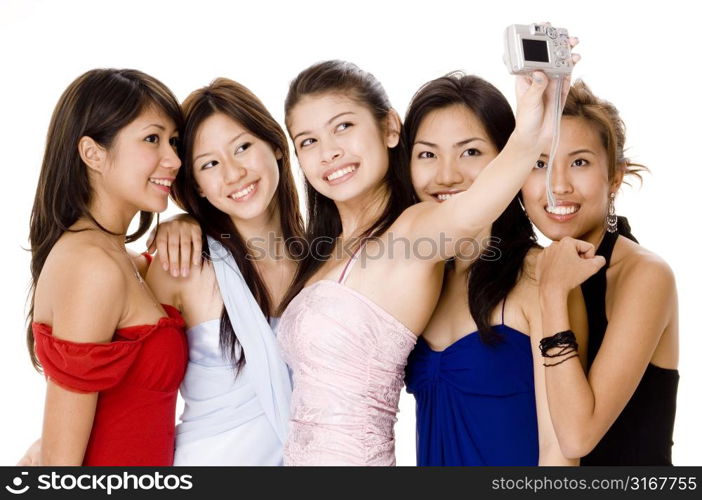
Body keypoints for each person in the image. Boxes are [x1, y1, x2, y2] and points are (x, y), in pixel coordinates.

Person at [275, 59, 574, 465]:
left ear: (389, 128)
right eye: (307, 141)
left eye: (342, 126)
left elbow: (472, 208)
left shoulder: (415, 230)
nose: (328, 153)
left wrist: (532, 131)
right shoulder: (321, 253)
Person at [403, 73, 582, 465]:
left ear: (508, 159)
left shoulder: (540, 275)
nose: (446, 175)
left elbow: (560, 451)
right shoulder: (418, 280)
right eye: (427, 154)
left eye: (469, 152)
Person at [27, 68, 187, 465]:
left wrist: (188, 222)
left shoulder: (126, 262)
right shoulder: (91, 267)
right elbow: (60, 471)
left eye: (174, 142)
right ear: (93, 153)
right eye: (152, 139)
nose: (174, 159)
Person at [146, 78, 302, 465]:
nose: (233, 174)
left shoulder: (325, 263)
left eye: (243, 147)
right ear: (196, 185)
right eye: (210, 164)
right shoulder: (183, 265)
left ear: (278, 146)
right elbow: (134, 389)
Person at [523, 81, 679, 465]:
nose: (557, 186)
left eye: (579, 162)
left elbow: (577, 438)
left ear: (614, 176)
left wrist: (552, 294)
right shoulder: (531, 266)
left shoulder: (645, 275)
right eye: (539, 164)